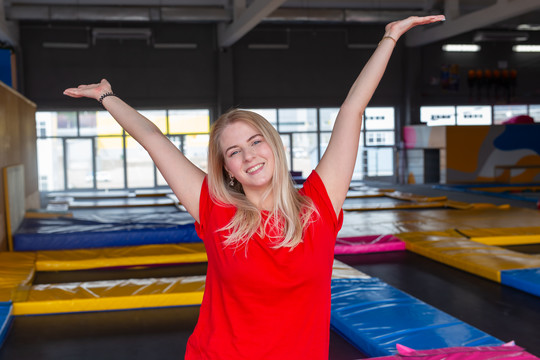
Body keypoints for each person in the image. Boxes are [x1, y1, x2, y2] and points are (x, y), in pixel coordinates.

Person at [63, 15, 445, 359]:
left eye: (256, 141)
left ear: (273, 145)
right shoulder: (215, 211)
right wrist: (106, 97)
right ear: (227, 168)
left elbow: (352, 110)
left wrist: (390, 38)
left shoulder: (318, 207)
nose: (249, 156)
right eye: (234, 151)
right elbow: (153, 139)